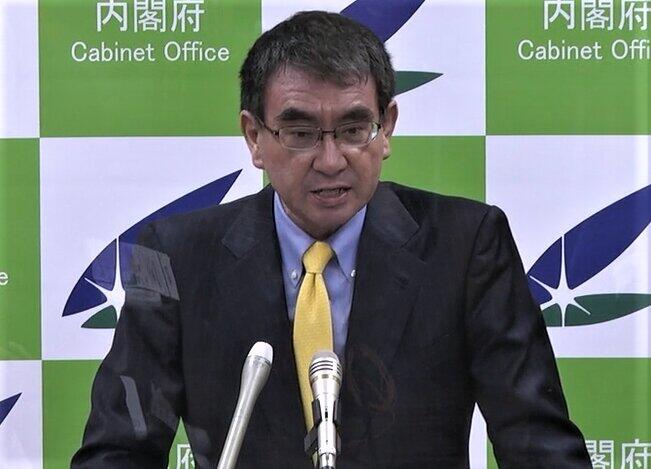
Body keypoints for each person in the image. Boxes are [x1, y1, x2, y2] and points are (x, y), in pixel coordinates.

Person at [72, 11, 591, 468]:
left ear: (386, 128)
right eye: (301, 134)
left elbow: (538, 444)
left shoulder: (466, 245)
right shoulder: (177, 256)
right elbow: (120, 450)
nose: (330, 160)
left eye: (353, 129)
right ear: (254, 137)